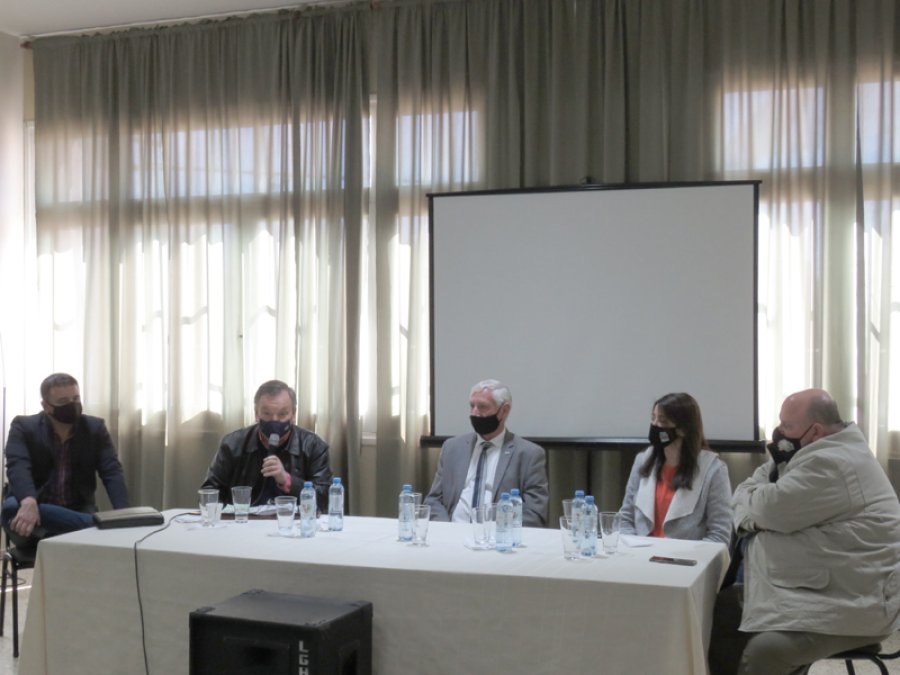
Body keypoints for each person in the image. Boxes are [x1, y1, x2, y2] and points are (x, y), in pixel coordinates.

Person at [709, 388, 900, 675]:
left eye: (787, 426)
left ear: (816, 431)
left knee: (765, 651)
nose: (779, 432)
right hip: (824, 586)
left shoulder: (833, 463)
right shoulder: (809, 451)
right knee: (722, 610)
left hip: (855, 601)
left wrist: (755, 513)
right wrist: (758, 510)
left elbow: (767, 510)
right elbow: (752, 489)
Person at [2, 373, 130, 548]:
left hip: (75, 509)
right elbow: (18, 465)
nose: (72, 405)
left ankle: (61, 531)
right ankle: (96, 527)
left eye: (75, 398)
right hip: (31, 506)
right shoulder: (23, 427)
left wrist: (125, 515)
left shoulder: (95, 429)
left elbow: (112, 471)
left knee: (46, 523)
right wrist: (29, 501)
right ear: (46, 406)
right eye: (63, 401)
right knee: (11, 509)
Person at [424, 379, 549, 527]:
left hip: (499, 538)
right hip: (454, 534)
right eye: (472, 406)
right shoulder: (452, 448)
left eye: (482, 407)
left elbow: (535, 513)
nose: (474, 413)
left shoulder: (529, 454)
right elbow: (433, 500)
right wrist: (448, 530)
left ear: (504, 410)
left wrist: (499, 534)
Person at [617, 392, 732, 544]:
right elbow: (625, 519)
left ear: (683, 429)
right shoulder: (642, 461)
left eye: (663, 421)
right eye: (653, 418)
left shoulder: (713, 470)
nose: (655, 425)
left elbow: (719, 535)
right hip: (640, 559)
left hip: (687, 563)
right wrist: (633, 551)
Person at [201, 380, 332, 512]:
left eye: (282, 414)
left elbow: (324, 499)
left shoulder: (314, 446)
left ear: (293, 415)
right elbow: (209, 492)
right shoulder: (232, 444)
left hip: (293, 525)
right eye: (267, 414)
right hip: (245, 524)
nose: (274, 420)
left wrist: (287, 480)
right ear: (257, 414)